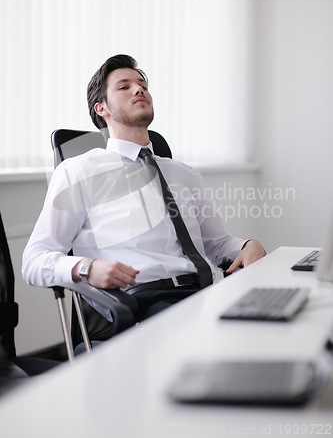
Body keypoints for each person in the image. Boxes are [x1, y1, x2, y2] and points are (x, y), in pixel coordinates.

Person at [22, 54, 265, 346]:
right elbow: (33, 261)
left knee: (286, 318)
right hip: (148, 305)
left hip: (209, 293)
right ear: (102, 109)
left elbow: (215, 245)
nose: (139, 90)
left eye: (142, 84)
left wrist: (247, 245)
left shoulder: (185, 174)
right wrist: (86, 268)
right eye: (124, 87)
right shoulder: (77, 172)